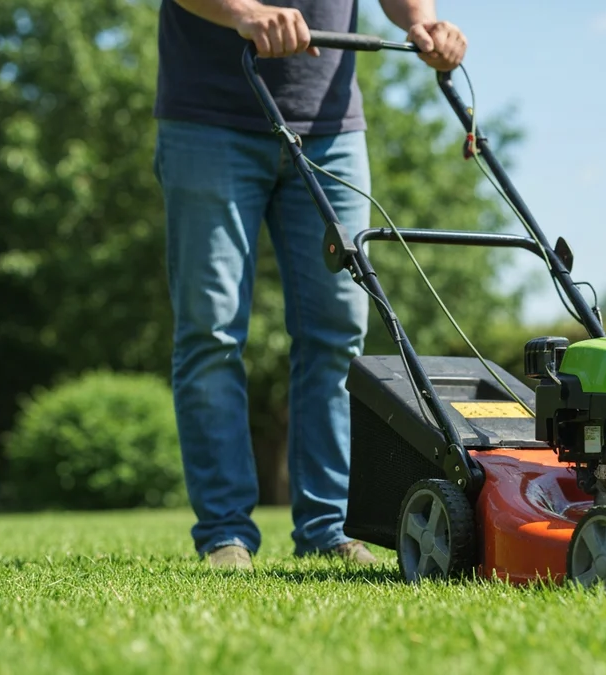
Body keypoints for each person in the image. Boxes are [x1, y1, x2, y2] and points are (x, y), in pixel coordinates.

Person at [152, 0, 467, 570]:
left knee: (338, 330)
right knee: (211, 328)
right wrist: (244, 12)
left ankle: (327, 527)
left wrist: (422, 20)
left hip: (330, 126)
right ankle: (225, 533)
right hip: (208, 118)